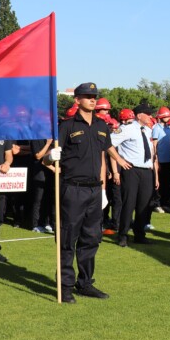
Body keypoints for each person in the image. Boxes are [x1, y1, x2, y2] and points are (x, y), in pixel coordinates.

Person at [56, 82, 119, 302]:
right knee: (67, 238)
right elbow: (49, 157)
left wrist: (103, 186)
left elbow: (105, 153)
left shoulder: (102, 126)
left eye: (94, 96)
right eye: (87, 96)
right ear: (77, 100)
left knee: (91, 238)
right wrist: (51, 158)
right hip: (72, 189)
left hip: (94, 189)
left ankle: (85, 283)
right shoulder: (67, 126)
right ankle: (64, 285)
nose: (93, 99)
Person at [110, 104, 158, 247]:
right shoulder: (127, 129)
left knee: (144, 204)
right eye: (147, 114)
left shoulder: (148, 131)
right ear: (139, 115)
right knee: (129, 203)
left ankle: (139, 234)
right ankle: (123, 234)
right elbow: (109, 143)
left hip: (146, 170)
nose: (150, 116)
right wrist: (120, 160)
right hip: (132, 170)